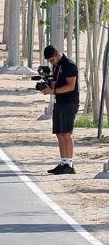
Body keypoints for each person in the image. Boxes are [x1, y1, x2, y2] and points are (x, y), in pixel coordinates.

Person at [42, 45, 79, 175]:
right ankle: (63, 162)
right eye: (50, 61)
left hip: (70, 102)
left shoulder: (69, 65)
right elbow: (55, 83)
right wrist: (47, 83)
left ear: (58, 54)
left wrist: (53, 90)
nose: (52, 63)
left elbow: (70, 86)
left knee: (66, 133)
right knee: (59, 132)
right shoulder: (56, 66)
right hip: (60, 101)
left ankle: (69, 164)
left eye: (52, 60)